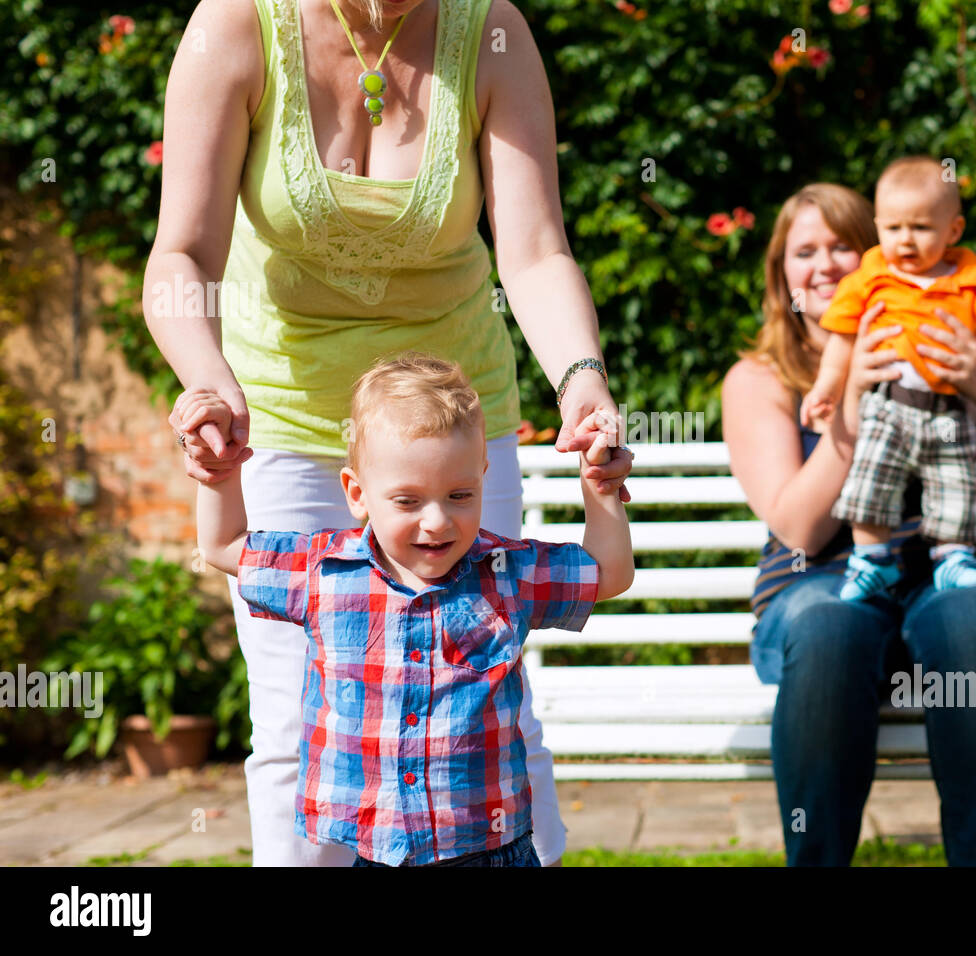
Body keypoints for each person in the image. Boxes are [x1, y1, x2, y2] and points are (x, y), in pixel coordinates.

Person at [144, 0, 632, 866]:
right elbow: (182, 253)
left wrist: (581, 379)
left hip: (449, 425)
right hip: (285, 421)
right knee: (299, 722)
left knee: (489, 699)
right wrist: (208, 380)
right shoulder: (235, 26)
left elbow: (535, 250)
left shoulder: (492, 31)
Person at [176, 354, 634, 866]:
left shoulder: (509, 572)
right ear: (357, 493)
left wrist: (601, 488)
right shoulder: (321, 570)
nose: (437, 521)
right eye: (408, 501)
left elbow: (607, 575)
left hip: (491, 850)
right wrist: (217, 473)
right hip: (373, 852)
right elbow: (224, 546)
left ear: (483, 476)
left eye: (460, 495)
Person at [722, 182, 976, 866]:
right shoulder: (760, 379)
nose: (826, 264)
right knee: (827, 623)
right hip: (825, 581)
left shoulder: (945, 346)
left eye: (844, 245)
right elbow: (799, 529)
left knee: (975, 619)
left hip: (951, 569)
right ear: (782, 272)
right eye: (805, 250)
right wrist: (852, 401)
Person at [801, 157, 976, 601]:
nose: (905, 240)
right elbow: (844, 338)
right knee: (872, 476)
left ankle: (955, 556)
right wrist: (828, 386)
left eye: (921, 228)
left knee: (955, 480)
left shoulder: (966, 274)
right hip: (889, 402)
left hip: (949, 408)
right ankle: (871, 558)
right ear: (879, 227)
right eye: (894, 228)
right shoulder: (872, 274)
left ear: (953, 231)